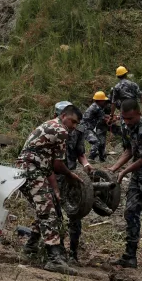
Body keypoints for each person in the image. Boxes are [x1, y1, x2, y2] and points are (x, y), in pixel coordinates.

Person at [16, 104, 84, 275]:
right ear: (63, 116)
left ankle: (31, 246)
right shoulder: (61, 131)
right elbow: (58, 165)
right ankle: (54, 259)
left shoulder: (49, 125)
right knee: (49, 212)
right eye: (72, 121)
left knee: (48, 206)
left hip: (30, 169)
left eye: (76, 124)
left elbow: (48, 165)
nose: (73, 126)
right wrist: (71, 175)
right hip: (31, 170)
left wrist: (56, 190)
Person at [109, 99, 142, 274]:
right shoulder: (126, 126)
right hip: (137, 176)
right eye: (124, 118)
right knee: (130, 212)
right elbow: (129, 150)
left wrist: (123, 173)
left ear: (139, 114)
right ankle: (129, 256)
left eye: (130, 119)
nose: (126, 122)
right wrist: (114, 168)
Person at [53, 101, 93, 265]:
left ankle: (73, 254)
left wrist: (86, 164)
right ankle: (57, 251)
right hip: (54, 175)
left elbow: (80, 153)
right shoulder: (52, 130)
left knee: (75, 215)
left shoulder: (78, 131)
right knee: (54, 215)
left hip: (71, 177)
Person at [83, 91, 112, 162]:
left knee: (101, 142)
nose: (105, 102)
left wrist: (114, 117)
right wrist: (115, 118)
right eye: (104, 100)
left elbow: (104, 116)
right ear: (100, 100)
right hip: (85, 128)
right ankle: (90, 158)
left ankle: (102, 158)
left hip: (88, 128)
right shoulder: (96, 108)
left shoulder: (95, 106)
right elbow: (104, 118)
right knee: (96, 142)